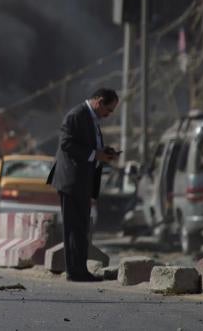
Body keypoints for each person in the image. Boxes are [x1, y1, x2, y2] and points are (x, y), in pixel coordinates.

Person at [46, 88, 119, 282]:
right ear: (99, 101)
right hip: (71, 180)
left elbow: (88, 145)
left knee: (81, 227)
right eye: (108, 110)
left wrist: (104, 152)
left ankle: (80, 270)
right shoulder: (76, 115)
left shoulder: (91, 118)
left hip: (82, 181)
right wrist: (96, 154)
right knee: (74, 227)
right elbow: (67, 144)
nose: (108, 115)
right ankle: (74, 272)